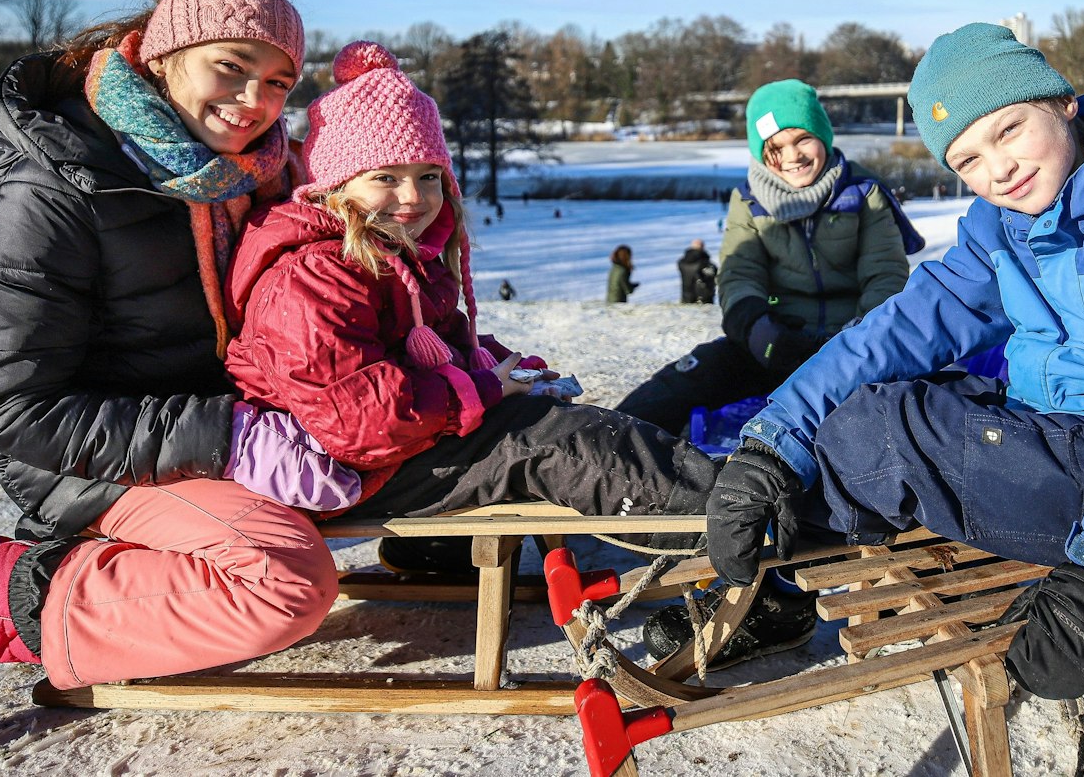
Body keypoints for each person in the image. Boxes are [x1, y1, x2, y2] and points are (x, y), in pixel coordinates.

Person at [669, 22, 1084, 702]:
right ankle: (762, 561)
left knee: (882, 431)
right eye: (969, 160)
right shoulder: (1003, 224)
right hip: (1066, 434)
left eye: (1007, 130)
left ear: (1063, 101)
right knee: (866, 397)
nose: (997, 170)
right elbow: (902, 325)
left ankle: (759, 571)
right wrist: (778, 435)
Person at [0, 0, 354, 751]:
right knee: (285, 581)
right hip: (88, 457)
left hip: (208, 432)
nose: (255, 99)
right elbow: (15, 411)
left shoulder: (255, 177)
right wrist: (227, 434)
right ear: (165, 55)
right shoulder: (55, 192)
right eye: (230, 66)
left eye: (277, 80)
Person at [221, 42, 715, 577]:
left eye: (429, 175)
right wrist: (486, 390)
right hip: (341, 471)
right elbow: (357, 421)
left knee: (556, 418)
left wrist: (505, 367)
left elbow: (450, 343)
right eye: (386, 177)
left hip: (391, 452)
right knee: (546, 442)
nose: (413, 195)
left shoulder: (401, 256)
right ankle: (722, 517)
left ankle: (725, 488)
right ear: (336, 186)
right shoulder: (313, 276)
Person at [617, 79, 912, 437]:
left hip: (851, 344)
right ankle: (604, 438)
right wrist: (760, 332)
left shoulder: (864, 192)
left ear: (823, 135)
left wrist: (857, 337)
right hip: (778, 340)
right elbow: (739, 274)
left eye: (803, 139)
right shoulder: (747, 200)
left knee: (895, 408)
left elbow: (885, 275)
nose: (793, 156)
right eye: (776, 147)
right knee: (690, 375)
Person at [677, 238, 717, 305]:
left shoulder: (682, 262)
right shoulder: (705, 263)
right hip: (703, 299)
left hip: (686, 297)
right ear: (702, 247)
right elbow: (713, 273)